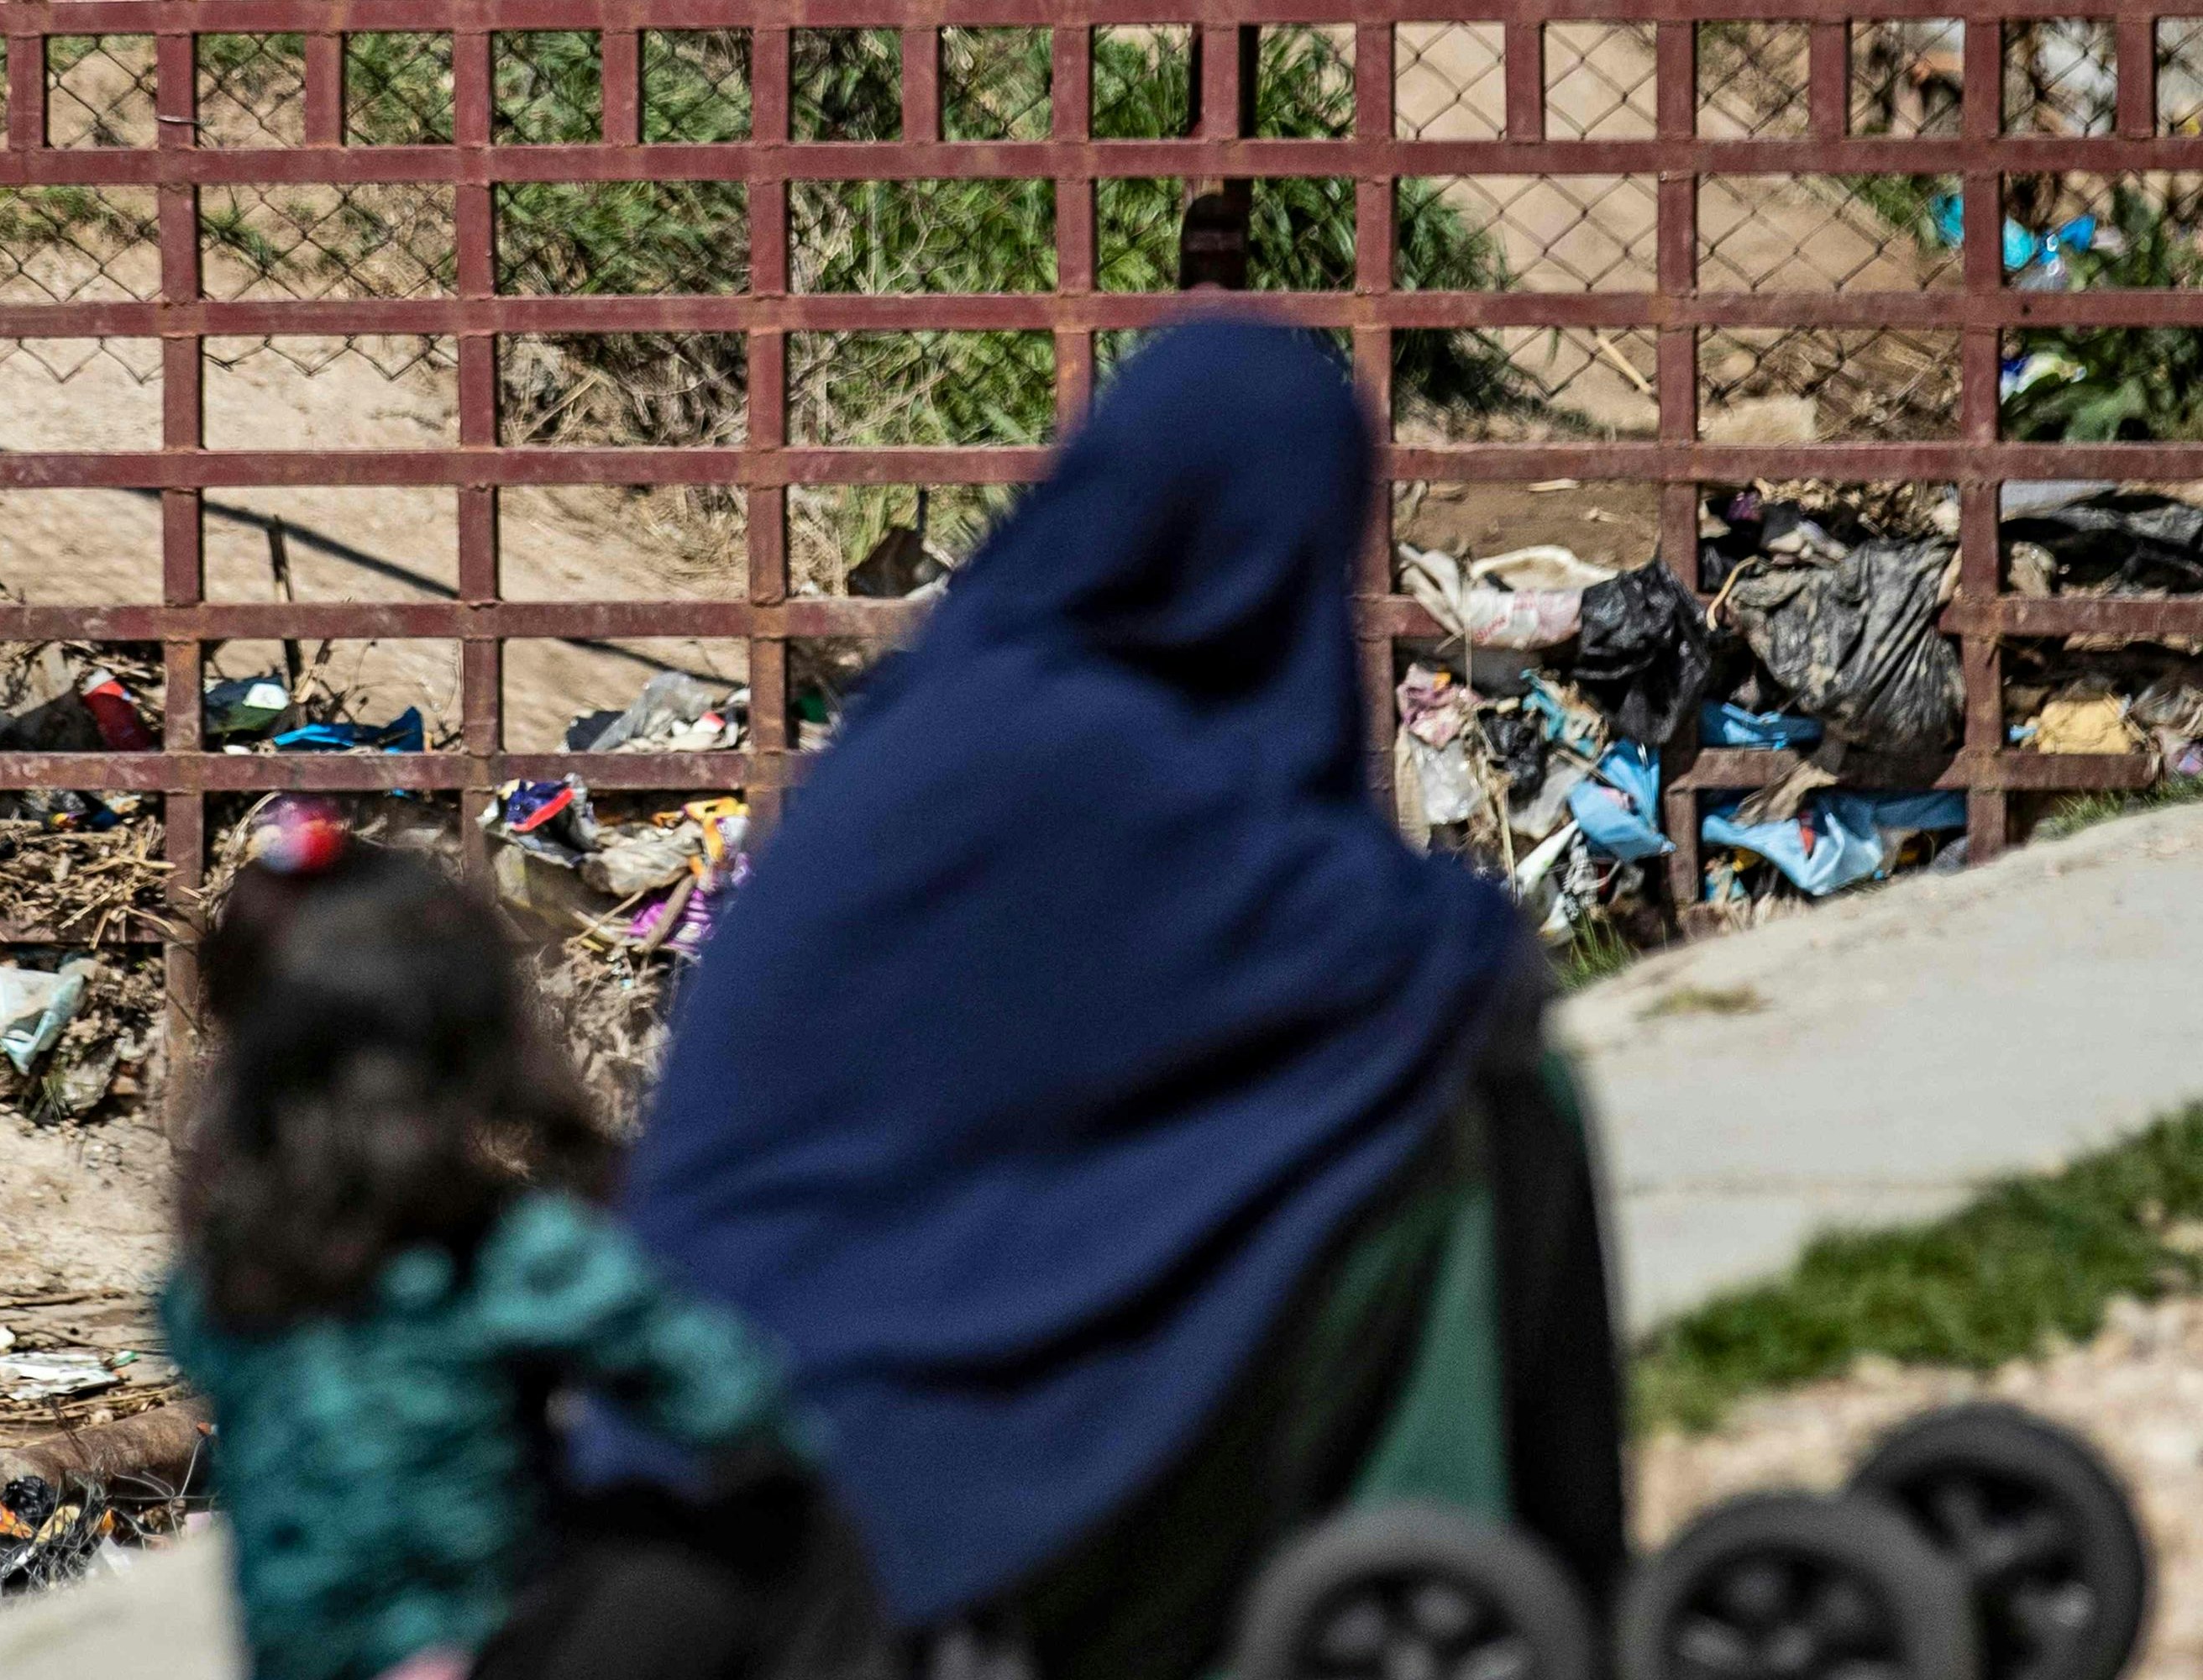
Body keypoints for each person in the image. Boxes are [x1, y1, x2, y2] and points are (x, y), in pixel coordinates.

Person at [612, 322, 1626, 1675]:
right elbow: (1428, 965)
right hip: (909, 1518)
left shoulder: (926, 728)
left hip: (696, 1468)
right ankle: (1485, 1565)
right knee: (1456, 1093)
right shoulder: (1122, 765)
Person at [163, 806, 872, 1680]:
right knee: (796, 1535)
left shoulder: (217, 1269)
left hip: (303, 1659)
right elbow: (730, 1399)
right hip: (480, 1647)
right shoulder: (499, 1250)